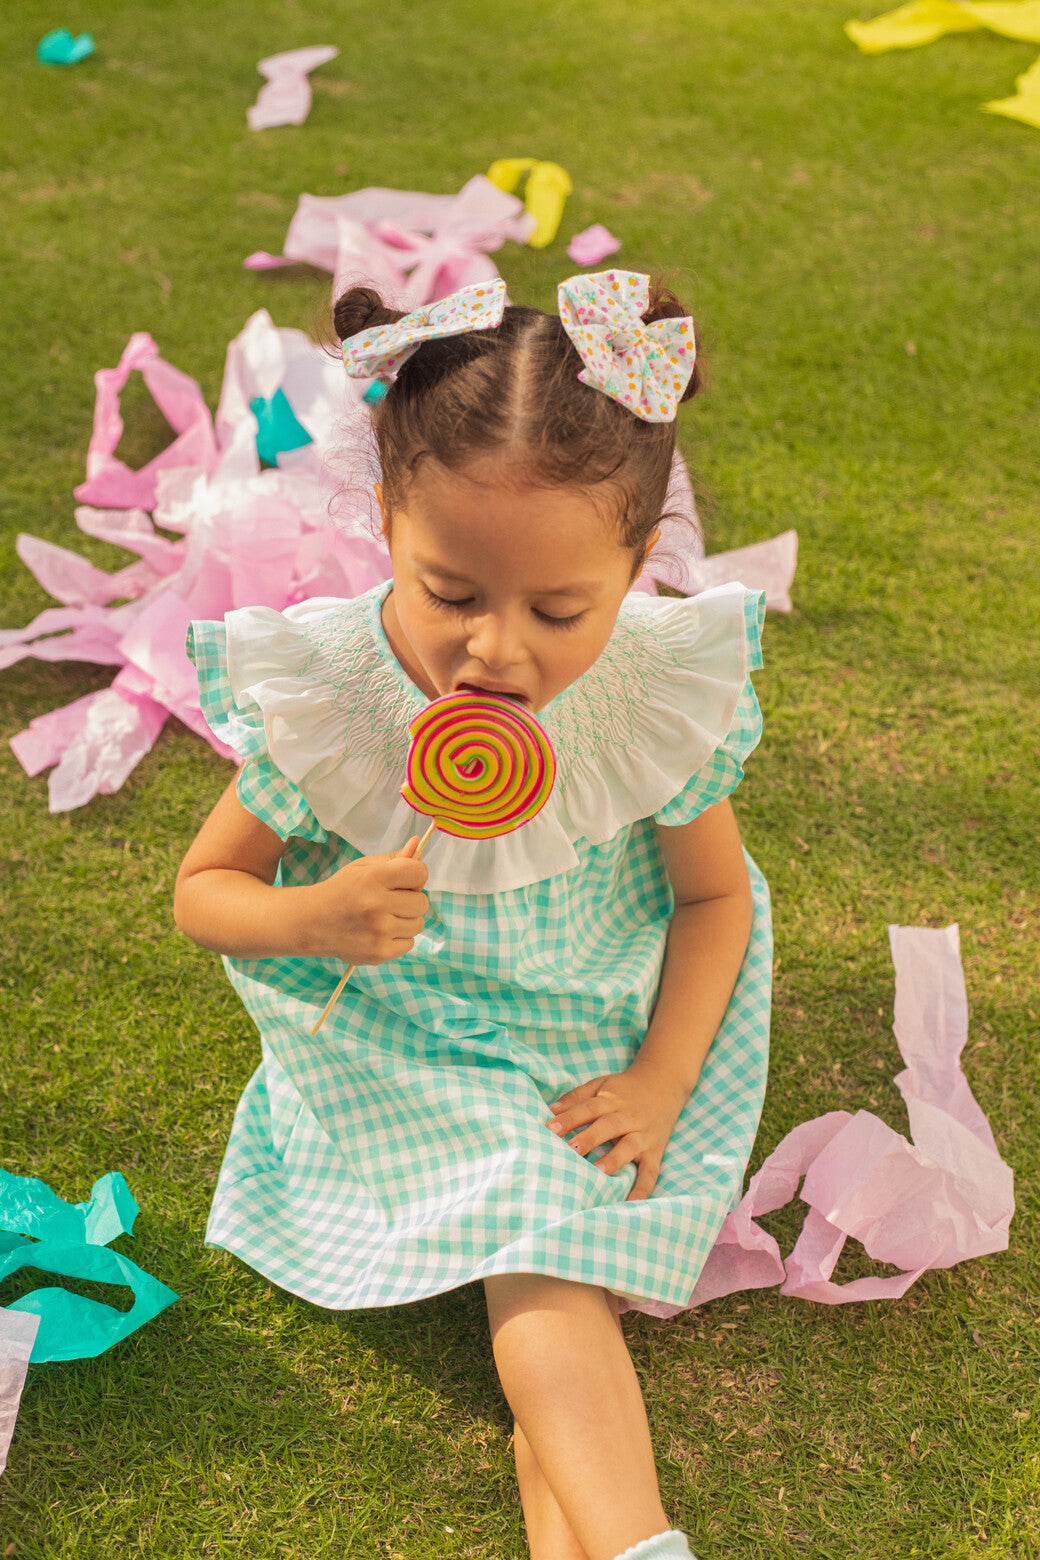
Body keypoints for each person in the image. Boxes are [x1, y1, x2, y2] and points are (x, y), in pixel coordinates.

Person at [174, 270, 772, 1560]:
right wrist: (316, 913)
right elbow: (201, 895)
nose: (497, 653)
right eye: (451, 593)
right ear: (386, 517)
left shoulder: (646, 684)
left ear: (639, 561)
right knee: (541, 1245)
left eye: (561, 611)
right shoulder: (334, 689)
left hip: (593, 1014)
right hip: (402, 1036)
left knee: (540, 1251)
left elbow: (716, 896)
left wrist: (665, 1076)